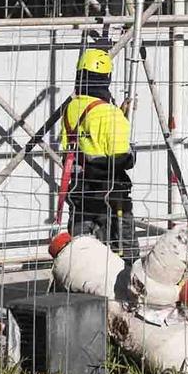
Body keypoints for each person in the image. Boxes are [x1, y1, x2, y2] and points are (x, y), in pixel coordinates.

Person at [60, 47, 136, 256]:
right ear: (106, 78)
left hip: (79, 193)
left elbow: (85, 141)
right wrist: (121, 120)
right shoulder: (110, 115)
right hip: (110, 198)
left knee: (80, 253)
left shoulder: (72, 108)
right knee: (120, 254)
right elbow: (122, 158)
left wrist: (118, 113)